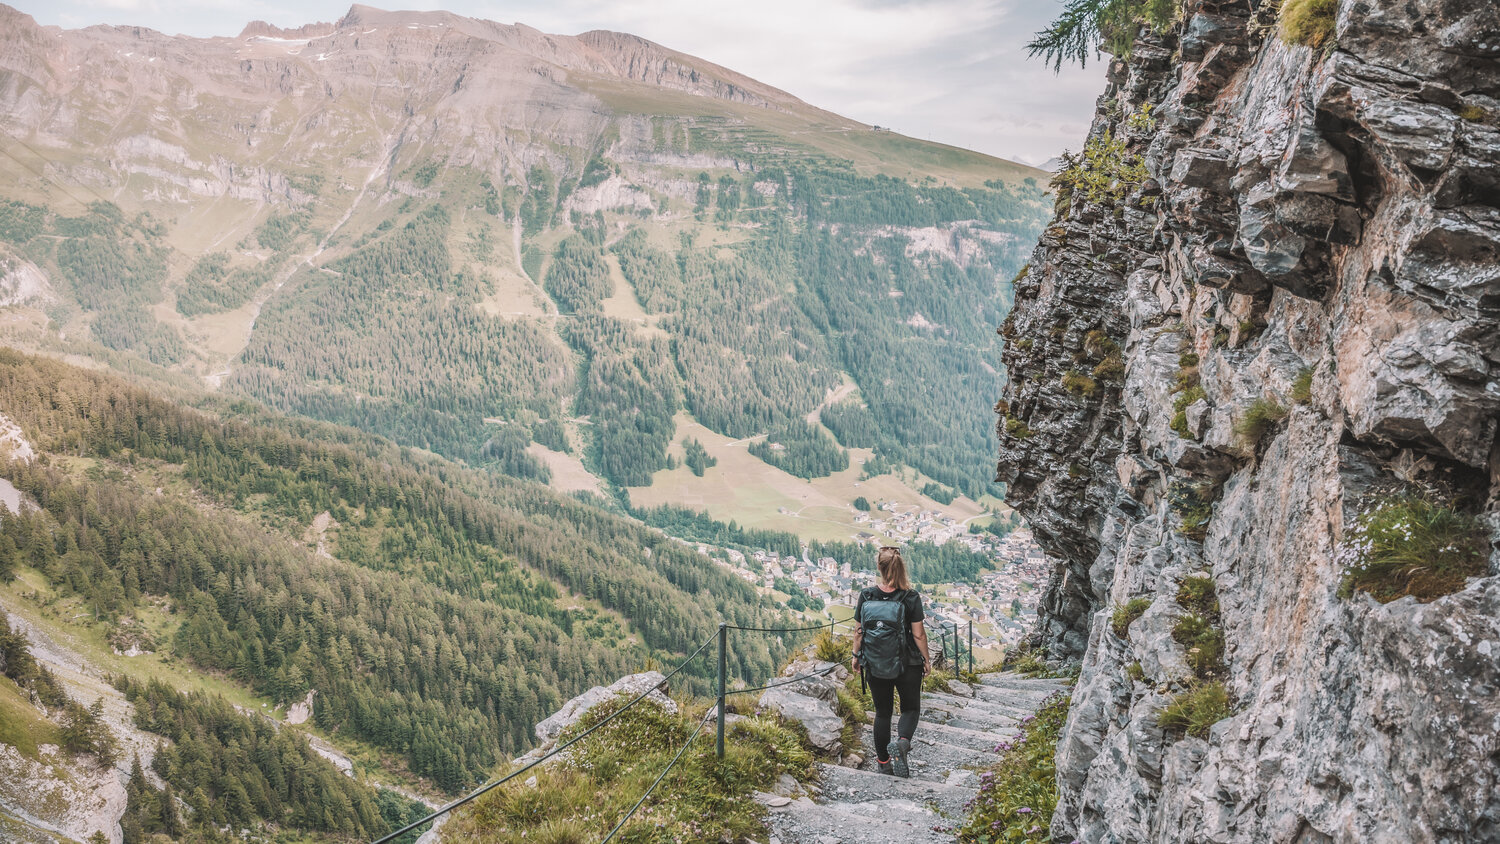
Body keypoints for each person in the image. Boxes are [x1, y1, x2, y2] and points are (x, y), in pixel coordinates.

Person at [850, 546, 930, 777]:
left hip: (876, 662)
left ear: (880, 568)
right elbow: (918, 634)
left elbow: (858, 631)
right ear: (901, 567)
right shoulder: (910, 597)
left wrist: (856, 657)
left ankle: (883, 763)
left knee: (882, 713)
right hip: (908, 663)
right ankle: (903, 743)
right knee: (910, 708)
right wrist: (925, 659)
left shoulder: (867, 595)